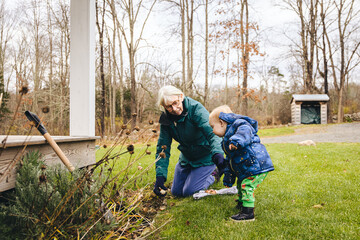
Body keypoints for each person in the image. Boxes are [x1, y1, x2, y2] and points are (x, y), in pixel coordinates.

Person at [153, 86, 225, 197]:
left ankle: (214, 174)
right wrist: (160, 177)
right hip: (187, 158)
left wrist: (218, 154)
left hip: (205, 156)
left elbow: (212, 134)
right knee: (176, 192)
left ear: (181, 97)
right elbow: (163, 147)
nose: (174, 109)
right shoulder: (166, 119)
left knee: (189, 191)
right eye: (169, 106)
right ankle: (193, 174)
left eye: (175, 103)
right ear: (163, 107)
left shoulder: (196, 109)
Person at [209, 105, 274, 222]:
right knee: (240, 184)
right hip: (247, 167)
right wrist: (228, 178)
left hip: (257, 165)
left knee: (246, 185)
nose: (212, 130)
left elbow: (245, 131)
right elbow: (230, 161)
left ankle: (248, 213)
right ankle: (242, 204)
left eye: (213, 126)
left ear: (221, 122)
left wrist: (236, 141)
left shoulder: (240, 124)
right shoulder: (226, 140)